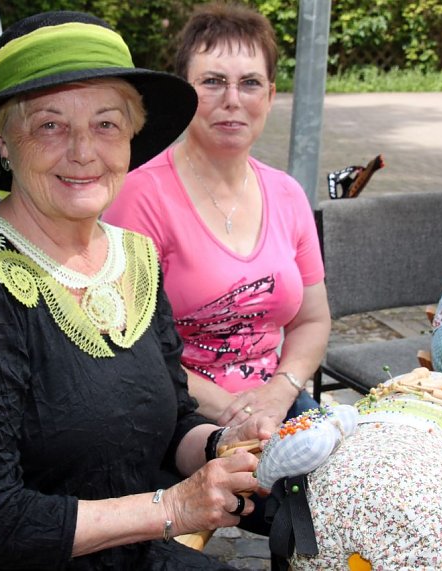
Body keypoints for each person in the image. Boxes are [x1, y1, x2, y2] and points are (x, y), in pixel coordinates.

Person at [0, 11, 276, 570]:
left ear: (131, 136)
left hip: (125, 554)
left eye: (107, 124)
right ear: (4, 143)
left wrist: (223, 444)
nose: (83, 151)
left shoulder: (135, 258)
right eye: (49, 125)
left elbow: (171, 422)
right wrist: (173, 508)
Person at [103, 2, 331, 430]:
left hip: (277, 405)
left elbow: (313, 319)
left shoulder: (287, 194)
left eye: (249, 83)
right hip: (179, 415)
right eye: (212, 82)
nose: (232, 100)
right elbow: (128, 346)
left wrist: (282, 389)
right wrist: (237, 412)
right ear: (184, 91)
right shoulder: (140, 196)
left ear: (270, 95)